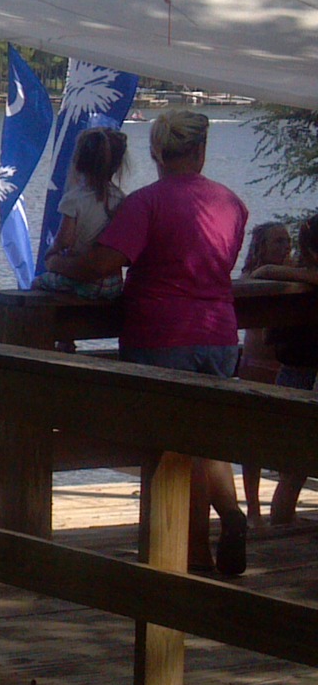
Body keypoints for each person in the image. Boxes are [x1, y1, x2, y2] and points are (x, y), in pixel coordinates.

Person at [45, 109, 250, 574]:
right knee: (207, 440)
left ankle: (192, 556)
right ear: (200, 152)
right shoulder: (232, 203)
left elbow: (102, 263)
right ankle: (231, 517)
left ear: (157, 153)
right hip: (219, 333)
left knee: (175, 450)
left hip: (161, 333)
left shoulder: (146, 203)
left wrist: (57, 264)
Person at [249, 217, 318, 525]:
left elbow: (268, 336)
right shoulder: (298, 280)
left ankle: (278, 526)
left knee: (292, 469)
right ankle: (275, 522)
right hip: (296, 372)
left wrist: (270, 271)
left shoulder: (291, 281)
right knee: (292, 468)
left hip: (295, 369)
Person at [236, 220, 292, 524]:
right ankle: (254, 505)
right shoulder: (248, 280)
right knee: (252, 442)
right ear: (261, 246)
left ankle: (282, 504)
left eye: (287, 241)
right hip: (256, 367)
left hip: (284, 366)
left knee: (286, 439)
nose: (285, 248)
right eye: (277, 242)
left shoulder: (294, 278)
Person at [33, 127, 129, 300]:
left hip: (82, 281)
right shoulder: (121, 199)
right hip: (112, 284)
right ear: (117, 165)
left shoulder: (74, 199)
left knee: (37, 283)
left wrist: (52, 252)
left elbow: (65, 240)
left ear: (79, 162)